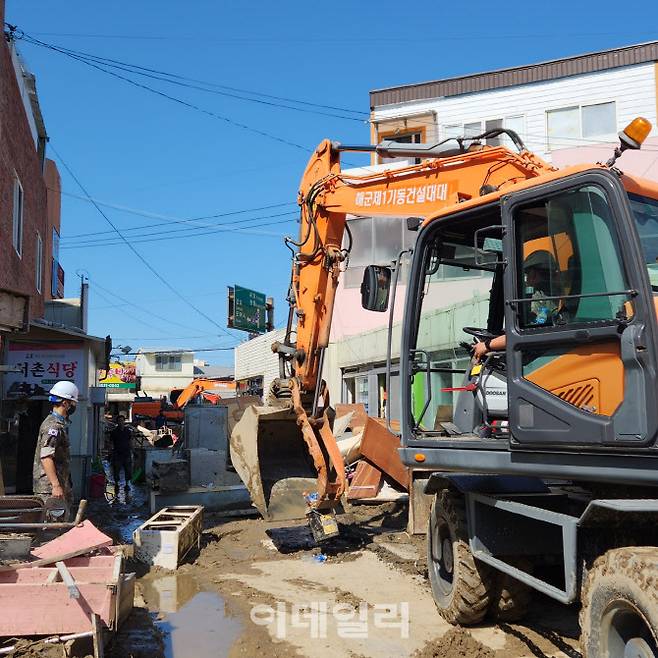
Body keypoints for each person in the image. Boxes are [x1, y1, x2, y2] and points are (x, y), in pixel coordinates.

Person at [473, 250, 559, 362]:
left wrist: (487, 345)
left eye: (527, 274)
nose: (527, 281)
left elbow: (525, 334)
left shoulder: (543, 298)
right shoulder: (548, 294)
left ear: (534, 274)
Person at [33, 381, 78, 521]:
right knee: (53, 526)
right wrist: (56, 486)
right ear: (65, 403)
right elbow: (46, 457)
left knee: (61, 522)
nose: (73, 406)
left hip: (57, 485)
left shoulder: (58, 424)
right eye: (73, 403)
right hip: (50, 489)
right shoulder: (53, 427)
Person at [110, 414, 133, 493]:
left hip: (126, 453)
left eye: (122, 421)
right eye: (119, 421)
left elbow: (130, 442)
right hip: (117, 453)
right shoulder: (114, 432)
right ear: (117, 422)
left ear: (124, 421)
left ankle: (127, 484)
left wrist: (133, 451)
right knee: (116, 470)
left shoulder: (128, 431)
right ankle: (117, 484)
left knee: (128, 469)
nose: (121, 422)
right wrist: (111, 452)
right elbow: (111, 443)